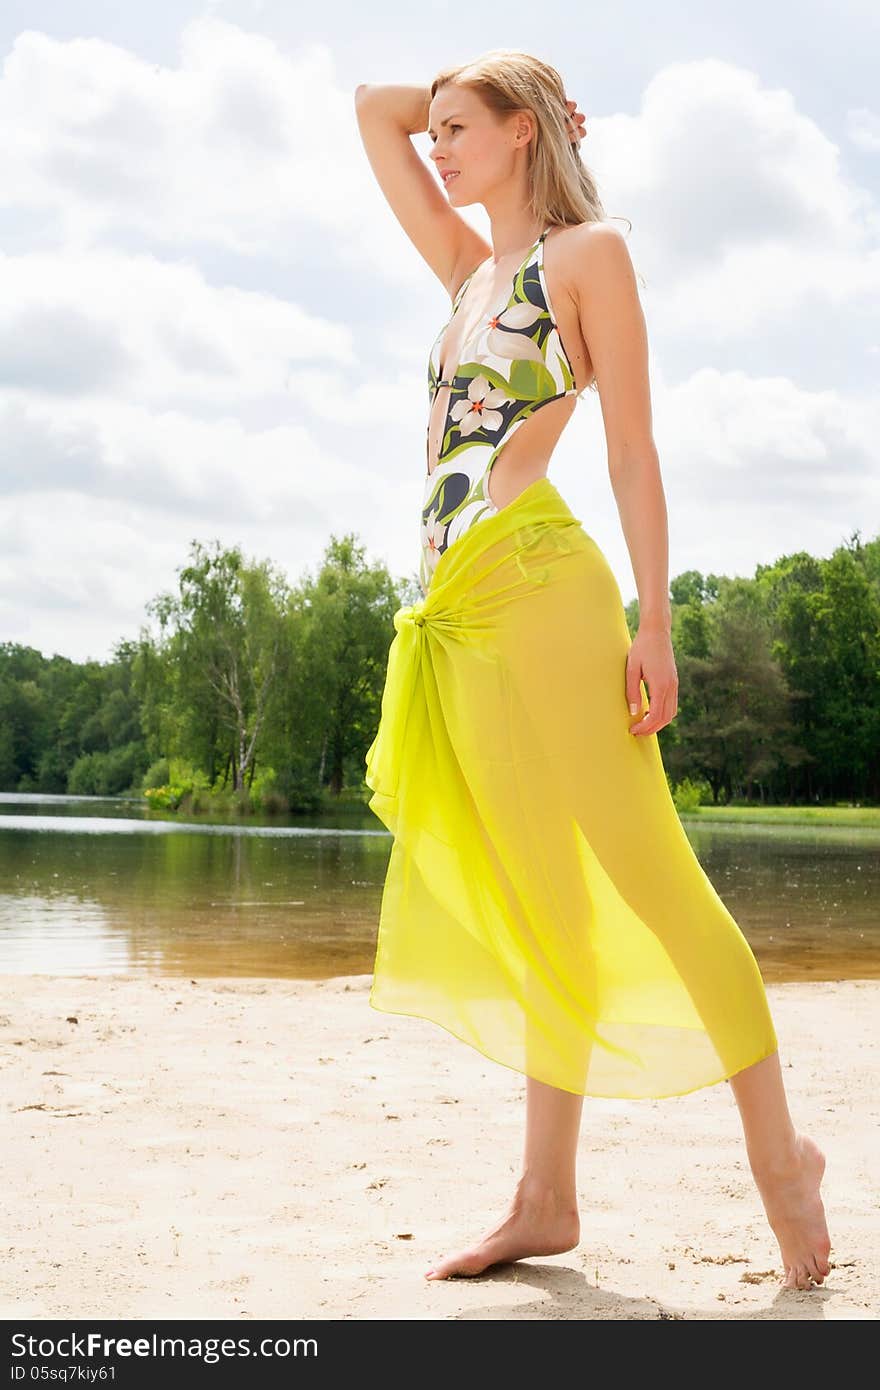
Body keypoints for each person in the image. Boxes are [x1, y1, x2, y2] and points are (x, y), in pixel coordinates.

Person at [354, 49, 831, 1293]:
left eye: (462, 128)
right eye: (440, 131)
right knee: (537, 902)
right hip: (452, 613)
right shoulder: (467, 272)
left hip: (543, 592)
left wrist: (657, 623)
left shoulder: (586, 256)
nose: (438, 146)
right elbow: (370, 110)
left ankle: (782, 1160)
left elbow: (631, 447)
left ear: (524, 136)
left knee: (653, 876)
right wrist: (470, 92)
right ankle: (544, 1194)